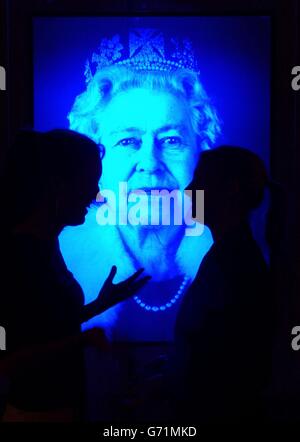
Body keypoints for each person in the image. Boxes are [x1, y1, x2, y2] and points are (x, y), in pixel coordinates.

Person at [59, 28, 221, 342]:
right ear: (97, 161)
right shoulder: (61, 260)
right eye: (128, 141)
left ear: (201, 151)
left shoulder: (229, 262)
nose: (149, 162)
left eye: (172, 140)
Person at [0, 129, 149, 421]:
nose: (97, 194)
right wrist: (82, 341)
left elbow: (43, 326)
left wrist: (99, 305)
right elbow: (8, 362)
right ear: (57, 186)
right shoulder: (17, 254)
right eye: (90, 182)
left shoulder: (45, 244)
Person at [173, 146, 274, 423]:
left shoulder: (234, 261)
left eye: (200, 181)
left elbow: (231, 361)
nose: (189, 190)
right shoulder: (229, 253)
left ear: (230, 190)